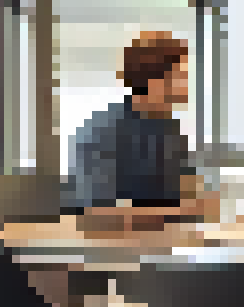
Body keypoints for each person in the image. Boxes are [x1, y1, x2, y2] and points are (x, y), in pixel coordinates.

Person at [65, 31, 208, 218]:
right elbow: (97, 214)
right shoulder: (100, 133)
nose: (186, 87)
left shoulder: (169, 129)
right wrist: (183, 210)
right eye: (181, 77)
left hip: (164, 241)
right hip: (110, 244)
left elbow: (185, 195)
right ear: (154, 81)